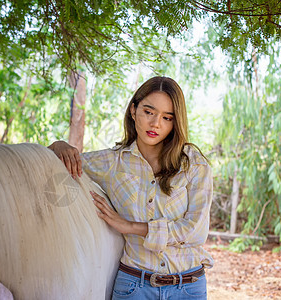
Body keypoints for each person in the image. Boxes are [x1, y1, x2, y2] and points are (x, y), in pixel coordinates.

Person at [48, 76, 213, 299]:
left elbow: (195, 231)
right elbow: (51, 161)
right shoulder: (112, 163)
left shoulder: (193, 163)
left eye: (167, 117)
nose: (156, 123)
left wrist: (131, 226)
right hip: (134, 286)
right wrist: (58, 145)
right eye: (148, 112)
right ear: (133, 110)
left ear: (175, 123)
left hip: (188, 287)